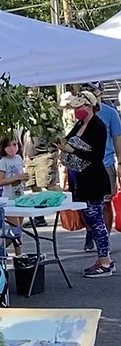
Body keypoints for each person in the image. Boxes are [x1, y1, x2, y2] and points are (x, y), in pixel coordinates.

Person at [57, 91, 113, 278]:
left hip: (94, 180)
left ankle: (105, 260)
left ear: (89, 106)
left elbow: (96, 156)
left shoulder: (98, 127)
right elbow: (68, 141)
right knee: (90, 219)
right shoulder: (80, 124)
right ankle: (104, 258)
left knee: (95, 219)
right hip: (79, 179)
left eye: (79, 107)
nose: (75, 111)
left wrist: (71, 149)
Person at [81, 82, 121, 249]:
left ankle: (104, 236)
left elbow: (117, 138)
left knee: (104, 202)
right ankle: (91, 232)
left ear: (100, 92)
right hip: (83, 166)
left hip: (105, 163)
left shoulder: (110, 113)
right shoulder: (80, 113)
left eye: (92, 89)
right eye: (85, 89)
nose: (89, 93)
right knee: (84, 204)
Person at [0, 137, 28, 256]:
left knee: (18, 229)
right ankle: (17, 254)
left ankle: (16, 253)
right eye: (10, 145)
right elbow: (0, 181)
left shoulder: (19, 158)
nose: (13, 148)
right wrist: (16, 178)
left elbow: (20, 174)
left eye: (15, 144)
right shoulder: (3, 161)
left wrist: (24, 178)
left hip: (20, 197)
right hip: (9, 199)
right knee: (15, 229)